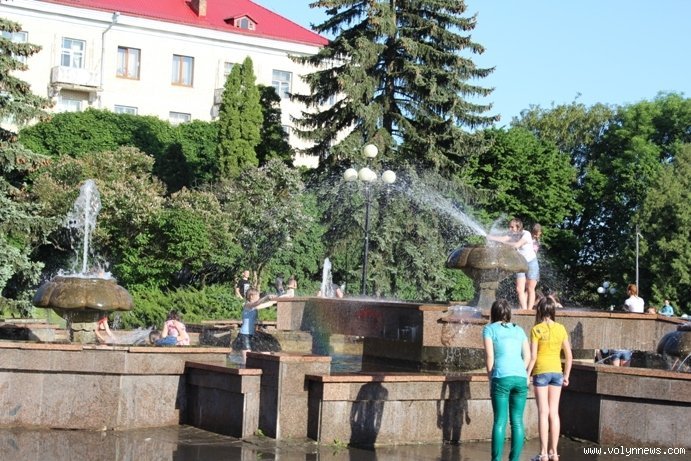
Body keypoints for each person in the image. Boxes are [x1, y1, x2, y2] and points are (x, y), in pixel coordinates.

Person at [483, 299, 530, 461]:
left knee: (500, 421)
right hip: (521, 378)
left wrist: (491, 378)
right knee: (517, 422)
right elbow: (528, 356)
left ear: (493, 313)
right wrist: (519, 370)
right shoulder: (519, 330)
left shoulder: (489, 329)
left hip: (501, 377)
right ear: (508, 313)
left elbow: (490, 356)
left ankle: (496, 459)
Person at [526, 296, 573, 461]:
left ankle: (543, 453)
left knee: (543, 412)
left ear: (539, 311)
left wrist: (527, 375)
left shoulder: (536, 329)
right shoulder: (561, 328)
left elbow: (533, 357)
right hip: (557, 373)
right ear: (553, 311)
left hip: (541, 372)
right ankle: (554, 453)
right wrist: (566, 375)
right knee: (554, 412)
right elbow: (569, 356)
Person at [488, 218, 539, 310]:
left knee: (530, 288)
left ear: (518, 227)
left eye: (512, 227)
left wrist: (504, 242)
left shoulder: (526, 234)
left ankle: (529, 311)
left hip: (531, 261)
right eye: (509, 227)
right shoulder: (512, 234)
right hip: (520, 263)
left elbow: (516, 245)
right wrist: (491, 237)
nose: (510, 229)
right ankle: (524, 310)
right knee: (519, 289)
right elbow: (503, 239)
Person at [239, 288, 278, 362]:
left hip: (253, 334)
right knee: (246, 361)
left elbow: (267, 304)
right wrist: (266, 297)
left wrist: (276, 299)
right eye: (258, 295)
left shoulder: (254, 307)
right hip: (244, 335)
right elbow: (256, 304)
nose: (259, 297)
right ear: (251, 296)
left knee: (266, 353)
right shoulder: (246, 305)